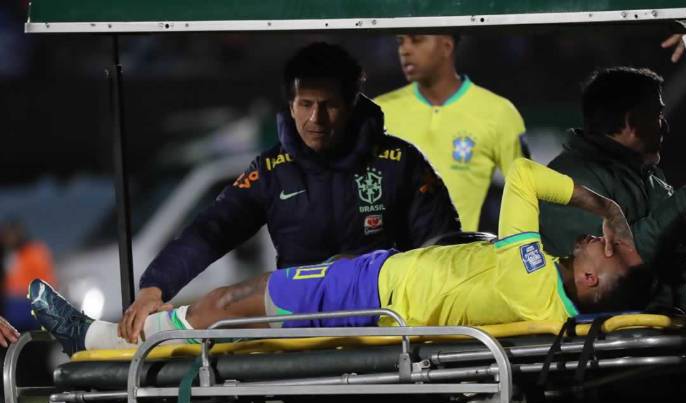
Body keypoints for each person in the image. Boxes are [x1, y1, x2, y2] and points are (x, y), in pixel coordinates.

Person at [31, 159, 651, 357]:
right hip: (380, 281)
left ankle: (100, 341)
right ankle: (115, 336)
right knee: (238, 310)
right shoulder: (548, 295)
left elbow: (520, 175)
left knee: (229, 305)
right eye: (613, 236)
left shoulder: (533, 274)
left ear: (593, 277)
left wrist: (608, 207)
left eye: (610, 249)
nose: (606, 239)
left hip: (373, 295)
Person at [123, 42, 460, 344]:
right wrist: (154, 287)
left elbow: (443, 248)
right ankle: (105, 337)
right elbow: (212, 229)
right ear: (290, 103)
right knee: (220, 306)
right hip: (296, 330)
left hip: (384, 324)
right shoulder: (272, 169)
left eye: (329, 105)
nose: (316, 118)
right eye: (305, 104)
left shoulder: (400, 162)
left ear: (352, 101)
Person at [540, 67, 686, 309]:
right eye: (657, 114)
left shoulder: (642, 174)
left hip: (678, 317)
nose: (665, 126)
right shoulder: (569, 180)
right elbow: (617, 262)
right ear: (632, 122)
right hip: (628, 331)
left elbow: (679, 250)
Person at [374, 33, 528, 232]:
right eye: (400, 41)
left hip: (459, 257)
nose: (405, 50)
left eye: (417, 40)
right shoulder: (380, 110)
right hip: (391, 259)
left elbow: (525, 192)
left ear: (446, 47)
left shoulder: (498, 112)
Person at [1, 219, 57, 331]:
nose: (10, 239)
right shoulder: (8, 255)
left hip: (31, 303)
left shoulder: (35, 252)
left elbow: (47, 281)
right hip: (12, 306)